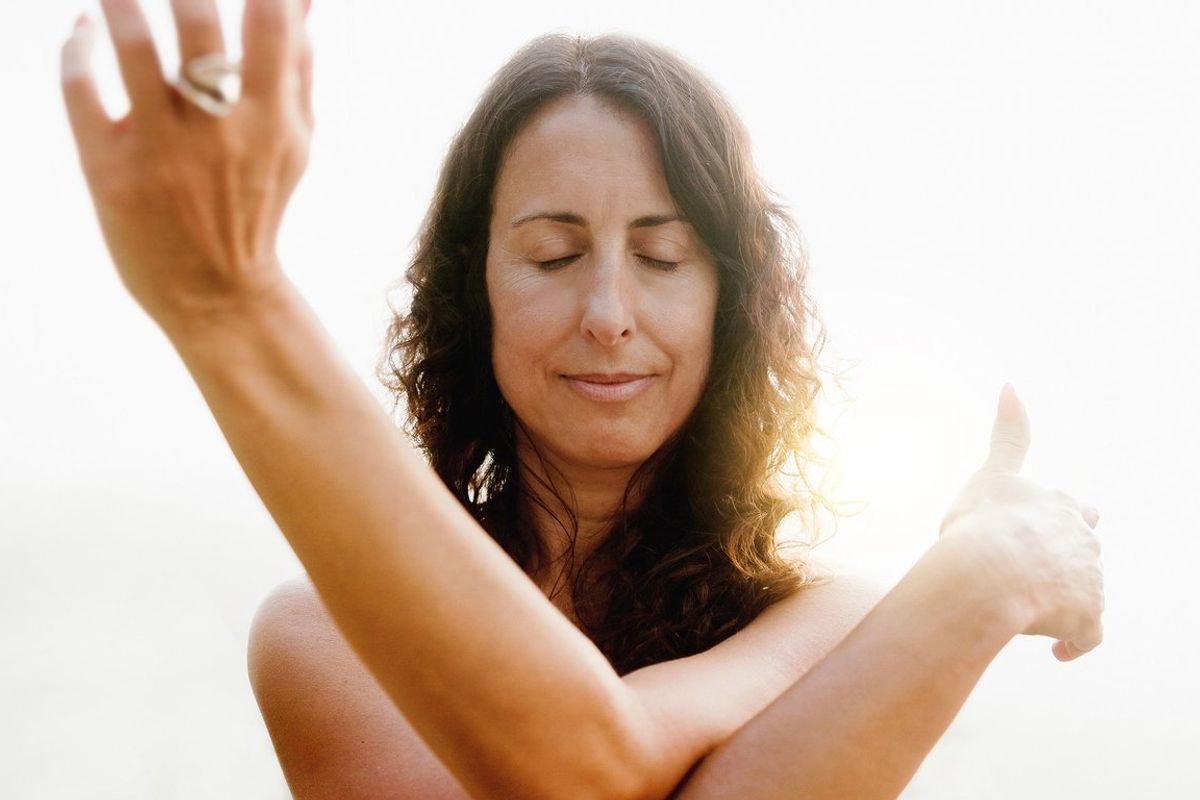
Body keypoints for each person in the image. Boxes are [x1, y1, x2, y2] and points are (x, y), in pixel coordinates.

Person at [59, 1, 1105, 798]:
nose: (609, 310)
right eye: (554, 254)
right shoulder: (324, 637)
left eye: (662, 256)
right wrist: (984, 579)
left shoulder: (834, 614)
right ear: (473, 291)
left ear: (730, 303)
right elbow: (589, 762)